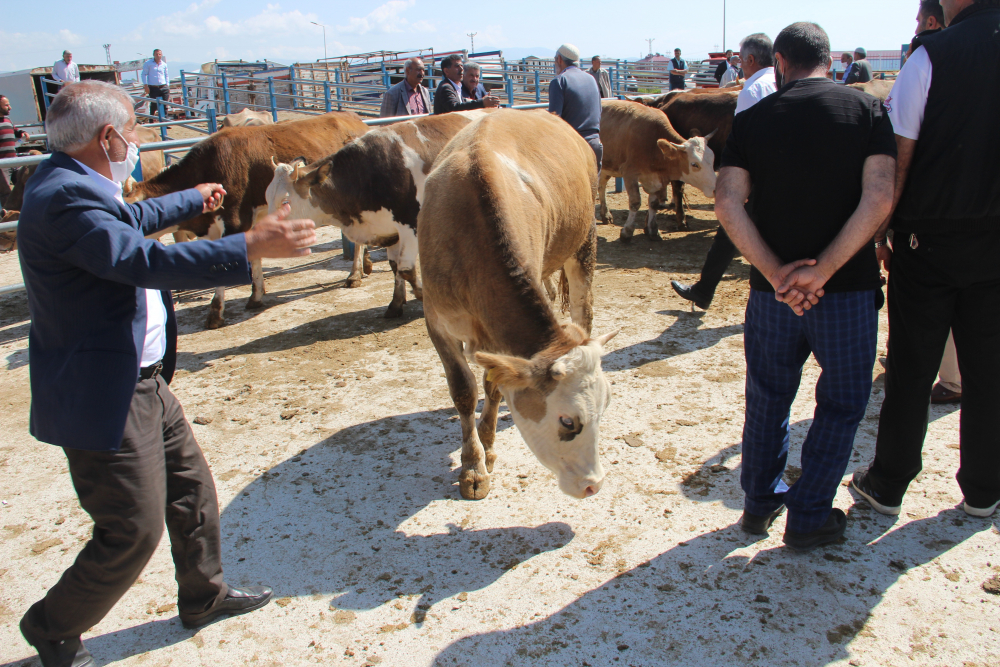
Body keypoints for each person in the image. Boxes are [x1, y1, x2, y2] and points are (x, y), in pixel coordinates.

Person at [16, 81, 317, 666]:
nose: (135, 143)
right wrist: (249, 244)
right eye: (131, 132)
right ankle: (52, 627)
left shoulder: (77, 184)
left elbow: (129, 217)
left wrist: (190, 200)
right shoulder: (64, 198)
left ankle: (203, 594)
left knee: (191, 490)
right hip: (107, 391)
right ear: (108, 138)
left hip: (142, 378)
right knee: (130, 530)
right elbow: (142, 258)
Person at [715, 22, 896, 550]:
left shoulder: (752, 119)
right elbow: (879, 198)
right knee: (840, 403)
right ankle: (810, 513)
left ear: (780, 62)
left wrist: (776, 274)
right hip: (847, 291)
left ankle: (758, 504)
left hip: (772, 297)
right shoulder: (866, 111)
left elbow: (727, 203)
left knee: (768, 396)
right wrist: (824, 271)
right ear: (831, 60)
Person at [852, 0, 1000, 519]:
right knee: (990, 369)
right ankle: (984, 488)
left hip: (930, 240)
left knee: (912, 367)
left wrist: (882, 232)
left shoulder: (930, 56)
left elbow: (900, 155)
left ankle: (889, 482)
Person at [671, 33, 777, 309]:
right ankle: (704, 290)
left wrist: (740, 184)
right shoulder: (783, 82)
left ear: (751, 60)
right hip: (781, 175)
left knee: (738, 231)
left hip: (760, 177)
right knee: (735, 232)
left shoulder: (752, 91)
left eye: (741, 60)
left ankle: (764, 300)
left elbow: (745, 142)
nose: (740, 65)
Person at [548, 43, 603, 168]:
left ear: (559, 59)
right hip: (595, 145)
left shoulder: (559, 81)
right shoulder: (591, 79)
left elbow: (553, 120)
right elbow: (599, 111)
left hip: (573, 147)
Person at [433, 54, 500, 114]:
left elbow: (461, 102)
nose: (461, 69)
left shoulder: (455, 86)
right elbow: (454, 108)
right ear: (446, 71)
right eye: (457, 66)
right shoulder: (446, 87)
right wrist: (482, 103)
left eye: (461, 65)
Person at [1, 94, 31, 203]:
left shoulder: (7, 120)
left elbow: (15, 130)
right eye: (6, 105)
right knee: (6, 193)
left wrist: (22, 133)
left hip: (14, 162)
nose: (10, 107)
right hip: (2, 165)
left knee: (23, 187)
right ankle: (7, 218)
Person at [141, 49, 170, 119]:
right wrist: (145, 85)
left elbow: (166, 75)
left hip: (163, 86)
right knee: (154, 104)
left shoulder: (164, 64)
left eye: (159, 54)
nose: (158, 56)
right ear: (153, 55)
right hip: (153, 87)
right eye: (156, 54)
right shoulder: (148, 63)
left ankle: (165, 121)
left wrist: (167, 85)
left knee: (165, 104)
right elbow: (144, 74)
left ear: (161, 55)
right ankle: (151, 119)